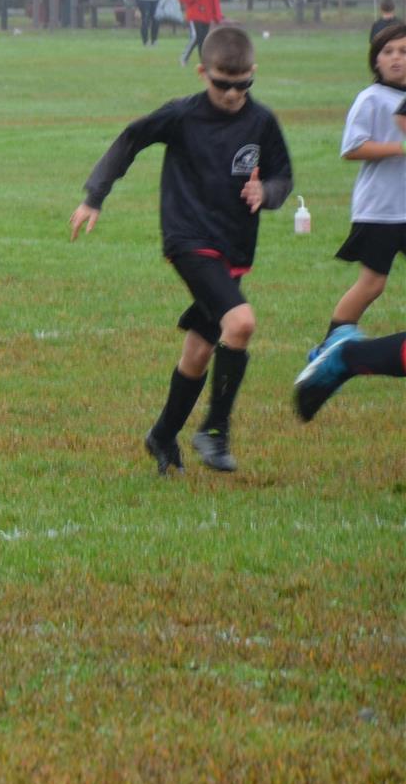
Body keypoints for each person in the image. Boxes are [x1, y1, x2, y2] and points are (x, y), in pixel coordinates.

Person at [70, 26, 293, 475]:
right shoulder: (182, 116)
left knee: (199, 350)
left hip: (233, 247)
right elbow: (131, 139)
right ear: (202, 73)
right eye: (222, 83)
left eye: (243, 84)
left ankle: (162, 435)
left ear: (253, 73)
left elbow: (282, 177)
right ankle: (214, 432)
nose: (232, 94)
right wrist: (95, 195)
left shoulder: (262, 122)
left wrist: (266, 192)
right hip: (189, 240)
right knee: (241, 323)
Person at [309, 23, 406, 357]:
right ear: (375, 60)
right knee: (372, 284)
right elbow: (352, 148)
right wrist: (399, 148)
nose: (396, 58)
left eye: (404, 51)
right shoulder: (371, 99)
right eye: (388, 52)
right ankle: (327, 351)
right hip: (381, 210)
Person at [177, 0, 223, 67]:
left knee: (204, 39)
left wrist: (217, 15)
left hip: (206, 16)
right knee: (196, 37)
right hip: (194, 15)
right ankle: (184, 57)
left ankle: (204, 61)